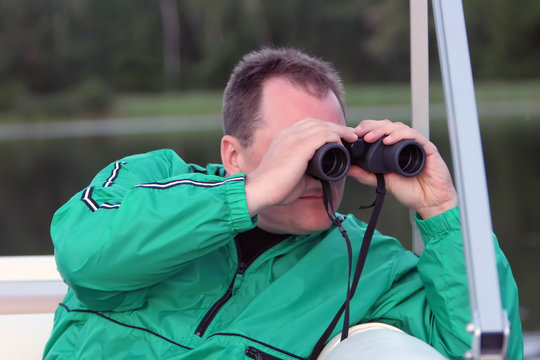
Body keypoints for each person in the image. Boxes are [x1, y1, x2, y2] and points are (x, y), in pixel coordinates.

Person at [44, 47, 522, 359]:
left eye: (331, 148)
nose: (315, 171)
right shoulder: (153, 178)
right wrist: (250, 194)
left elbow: (484, 349)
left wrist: (443, 214)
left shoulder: (368, 264)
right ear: (233, 154)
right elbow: (85, 256)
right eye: (295, 147)